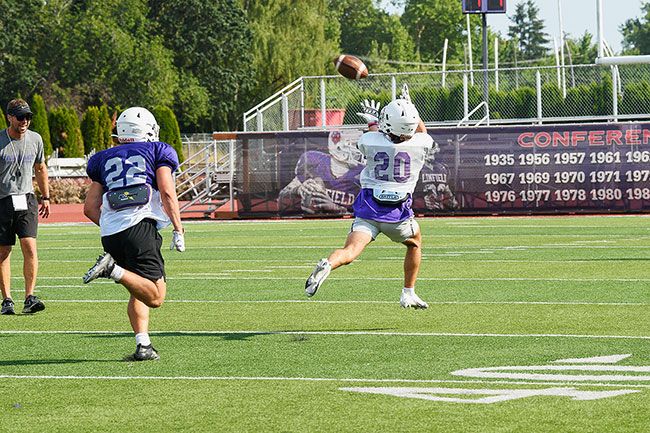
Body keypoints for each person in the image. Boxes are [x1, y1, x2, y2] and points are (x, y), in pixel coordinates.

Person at [305, 87, 433, 309]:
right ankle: (408, 292)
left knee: (350, 252)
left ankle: (328, 263)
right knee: (414, 244)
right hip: (397, 214)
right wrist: (413, 111)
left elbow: (377, 136)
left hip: (368, 210)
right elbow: (421, 132)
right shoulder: (420, 144)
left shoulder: (370, 140)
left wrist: (374, 123)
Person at [82, 106, 185, 361]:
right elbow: (168, 192)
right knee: (156, 296)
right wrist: (179, 229)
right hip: (139, 226)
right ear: (147, 130)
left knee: (137, 287)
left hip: (110, 233)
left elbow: (89, 208)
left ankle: (143, 346)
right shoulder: (157, 150)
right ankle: (111, 270)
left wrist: (113, 226)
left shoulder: (103, 158)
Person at [0, 99, 50, 315]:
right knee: (3, 251)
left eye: (28, 117)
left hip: (27, 198)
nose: (25, 121)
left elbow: (40, 168)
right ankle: (7, 300)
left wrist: (46, 196)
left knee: (29, 247)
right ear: (9, 117)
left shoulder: (36, 139)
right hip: (2, 200)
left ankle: (29, 297)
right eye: (20, 117)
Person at [278, 130, 364, 215]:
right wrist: (298, 190)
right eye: (352, 145)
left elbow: (369, 213)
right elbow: (282, 197)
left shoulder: (362, 173)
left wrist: (337, 209)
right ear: (338, 148)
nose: (358, 150)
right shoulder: (314, 162)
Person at [415, 141, 459, 211]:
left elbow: (447, 189)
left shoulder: (443, 168)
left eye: (435, 153)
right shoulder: (417, 168)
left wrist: (451, 198)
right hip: (422, 208)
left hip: (441, 207)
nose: (434, 155)